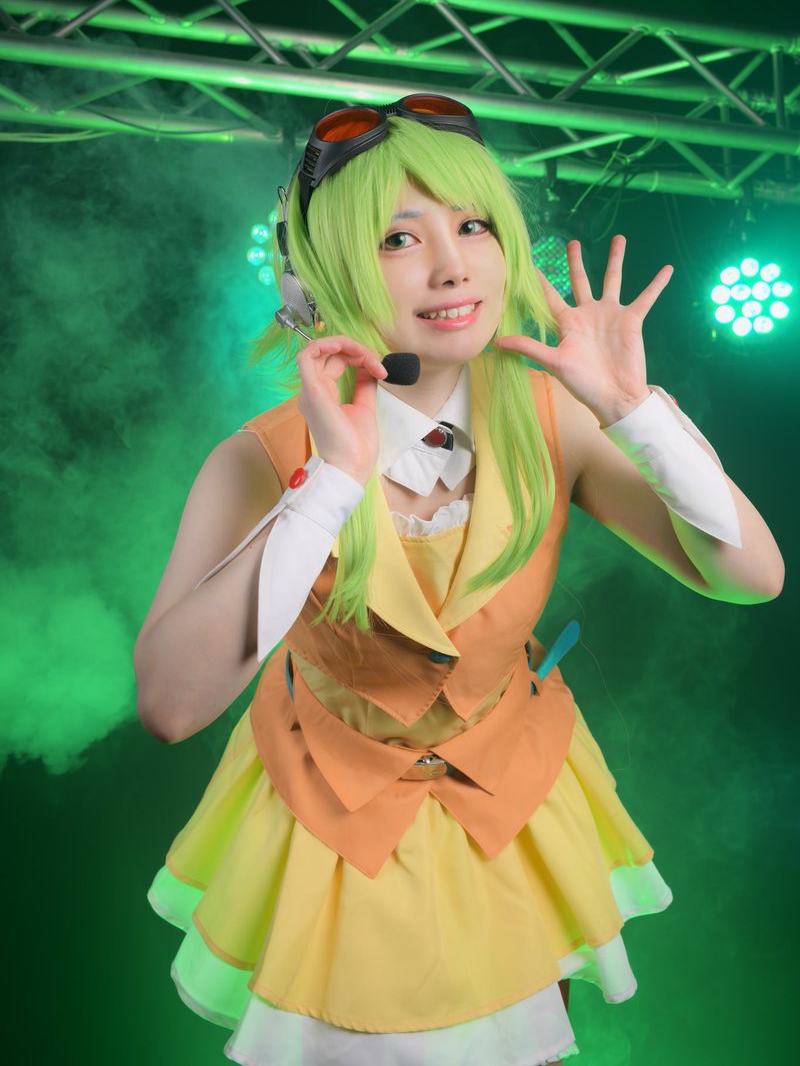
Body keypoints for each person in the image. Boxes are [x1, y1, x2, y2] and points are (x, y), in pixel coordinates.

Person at [135, 95, 784, 1066]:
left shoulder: (553, 417)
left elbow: (750, 578)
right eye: (399, 238)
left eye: (473, 225)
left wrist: (631, 408)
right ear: (317, 277)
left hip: (513, 797)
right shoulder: (257, 461)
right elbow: (171, 705)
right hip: (329, 813)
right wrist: (331, 482)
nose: (452, 266)